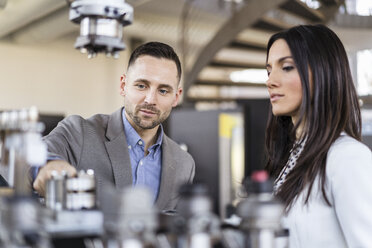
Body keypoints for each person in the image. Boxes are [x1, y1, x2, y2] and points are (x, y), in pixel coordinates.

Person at [33, 41, 195, 210]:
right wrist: (48, 165)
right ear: (123, 86)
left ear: (176, 97)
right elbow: (29, 157)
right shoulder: (78, 132)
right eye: (141, 86)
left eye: (163, 91)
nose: (150, 100)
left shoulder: (184, 164)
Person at [265, 24, 372, 247]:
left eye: (286, 67)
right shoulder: (290, 159)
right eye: (268, 70)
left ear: (323, 72)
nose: (270, 81)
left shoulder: (347, 158)